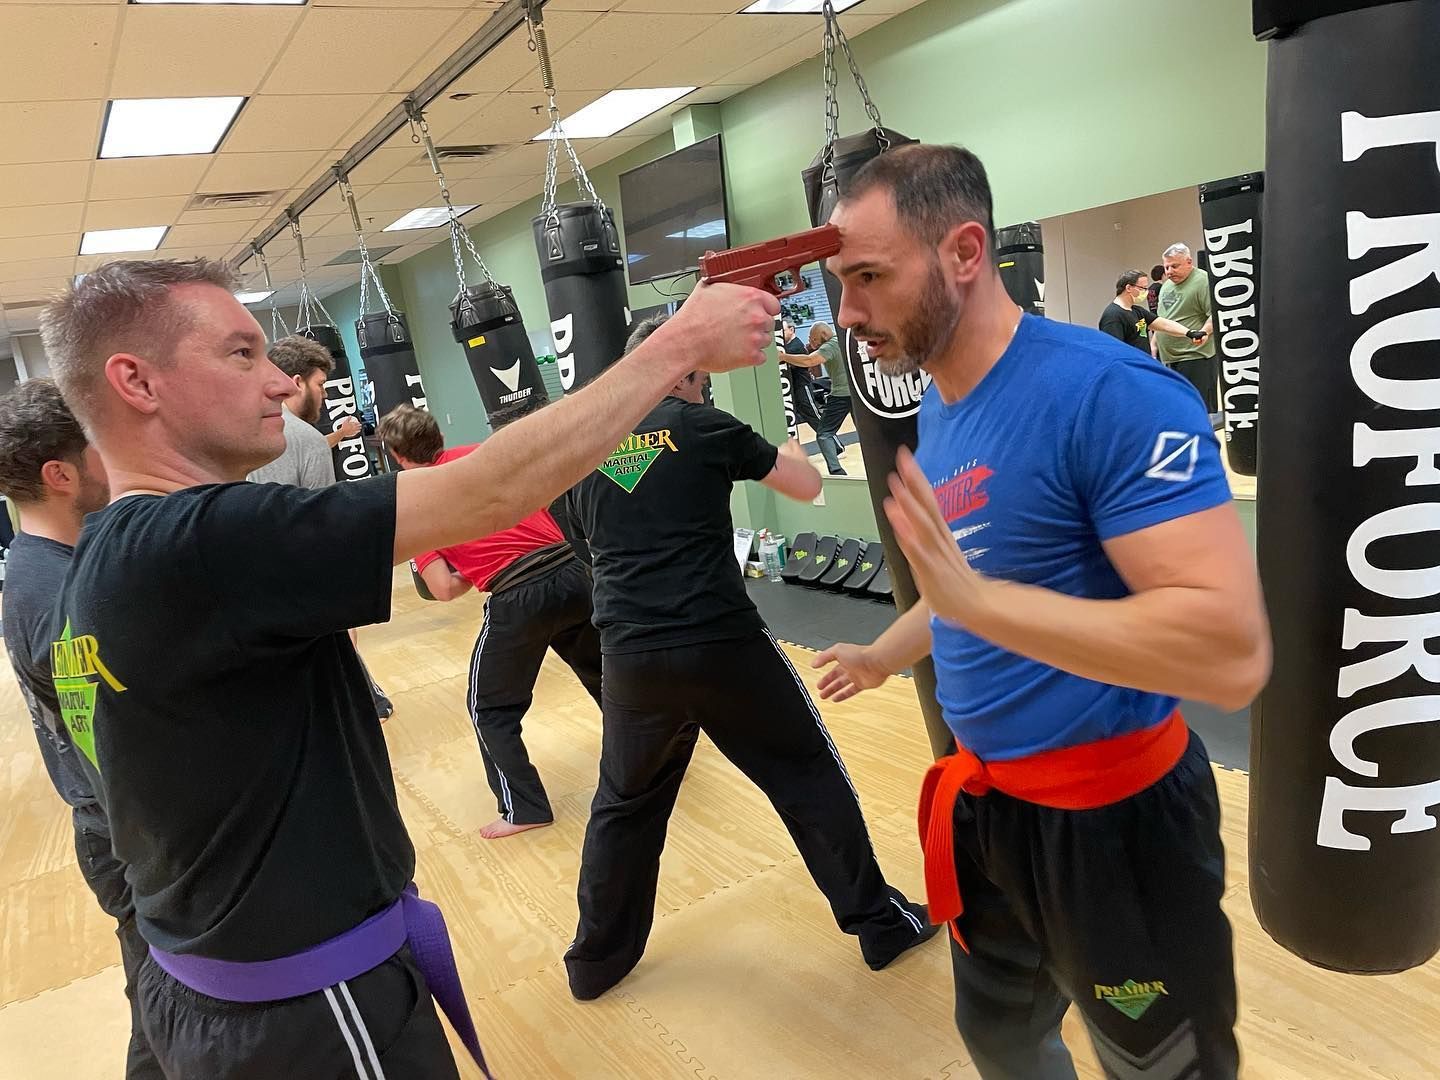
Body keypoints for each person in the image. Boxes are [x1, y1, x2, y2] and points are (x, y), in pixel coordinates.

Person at [38, 257, 777, 1079]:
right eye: (241, 354)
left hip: (208, 989)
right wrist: (675, 349)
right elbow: (491, 491)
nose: (280, 383)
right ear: (137, 382)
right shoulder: (199, 543)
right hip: (308, 1013)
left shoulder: (103, 555)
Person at [817, 144, 1269, 1078]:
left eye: (869, 277)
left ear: (964, 251)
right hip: (990, 814)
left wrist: (979, 603)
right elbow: (967, 587)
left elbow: (1229, 655)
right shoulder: (942, 406)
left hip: (1116, 827)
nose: (847, 314)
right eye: (840, 283)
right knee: (1001, 1035)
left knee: (1161, 1066)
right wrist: (884, 653)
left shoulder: (1109, 394)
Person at [562, 315, 939, 1003]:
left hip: (630, 656)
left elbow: (582, 544)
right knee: (806, 774)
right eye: (703, 377)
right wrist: (794, 445)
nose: (706, 389)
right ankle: (879, 926)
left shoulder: (586, 449)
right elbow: (805, 486)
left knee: (623, 803)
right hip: (722, 643)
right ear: (681, 372)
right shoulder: (703, 426)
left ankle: (594, 961)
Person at [0, 379, 162, 1079]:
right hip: (128, 842)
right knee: (167, 1011)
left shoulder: (60, 567)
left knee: (162, 1007)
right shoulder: (52, 595)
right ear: (61, 475)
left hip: (125, 835)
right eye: (102, 446)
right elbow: (113, 740)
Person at [378, 402, 602, 841]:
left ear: (397, 455)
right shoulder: (482, 455)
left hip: (518, 595)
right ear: (439, 437)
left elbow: (443, 589)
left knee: (490, 708)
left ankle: (524, 808)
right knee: (607, 676)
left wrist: (473, 565)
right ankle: (655, 765)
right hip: (573, 573)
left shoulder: (413, 500)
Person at [248, 333, 394, 721]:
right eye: (321, 384)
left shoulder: (245, 430)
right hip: (298, 574)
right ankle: (364, 698)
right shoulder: (306, 439)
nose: (326, 395)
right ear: (296, 382)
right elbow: (322, 526)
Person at [1155, 243, 1220, 422]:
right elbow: (1162, 318)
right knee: (1179, 410)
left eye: (1174, 266)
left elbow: (1214, 314)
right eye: (1166, 267)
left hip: (1195, 356)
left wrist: (1204, 332)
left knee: (1198, 411)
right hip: (1170, 358)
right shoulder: (1167, 286)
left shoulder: (1202, 281)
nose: (1169, 271)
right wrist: (1154, 344)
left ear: (1189, 262)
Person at [787, 321, 852, 475]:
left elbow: (809, 361)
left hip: (841, 394)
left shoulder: (829, 346)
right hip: (854, 393)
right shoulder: (841, 341)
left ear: (823, 334)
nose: (811, 342)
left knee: (824, 433)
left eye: (813, 338)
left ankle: (836, 470)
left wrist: (782, 356)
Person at [1097, 270, 1196, 354]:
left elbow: (1164, 325)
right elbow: (1114, 351)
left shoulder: (1137, 311)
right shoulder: (1113, 316)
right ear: (1128, 288)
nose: (1145, 292)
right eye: (1142, 288)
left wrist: (1189, 333)